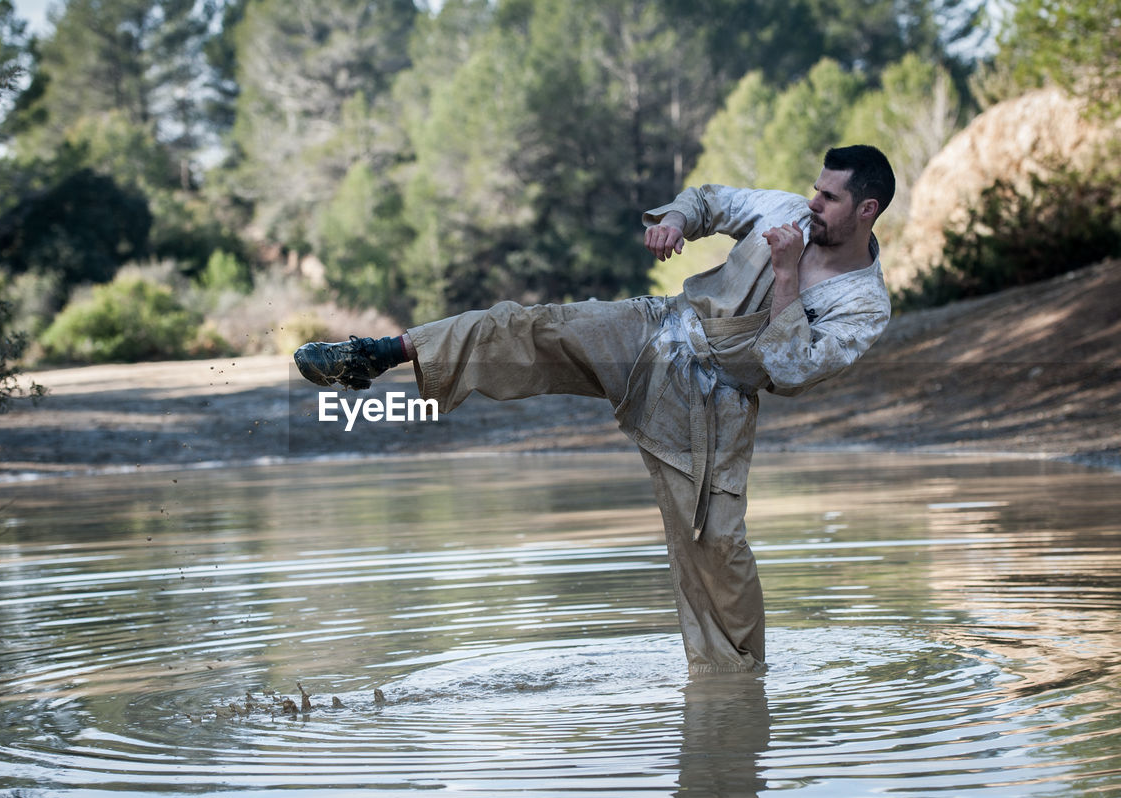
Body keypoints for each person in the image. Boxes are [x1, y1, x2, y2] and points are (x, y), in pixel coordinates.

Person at [294, 145, 895, 674]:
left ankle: (736, 684)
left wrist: (786, 275)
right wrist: (678, 220)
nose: (812, 203)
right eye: (815, 189)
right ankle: (376, 354)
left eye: (830, 197)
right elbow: (711, 200)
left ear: (866, 210)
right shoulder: (784, 211)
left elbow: (792, 372)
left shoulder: (864, 304)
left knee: (716, 545)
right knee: (529, 326)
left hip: (717, 403)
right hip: (659, 328)